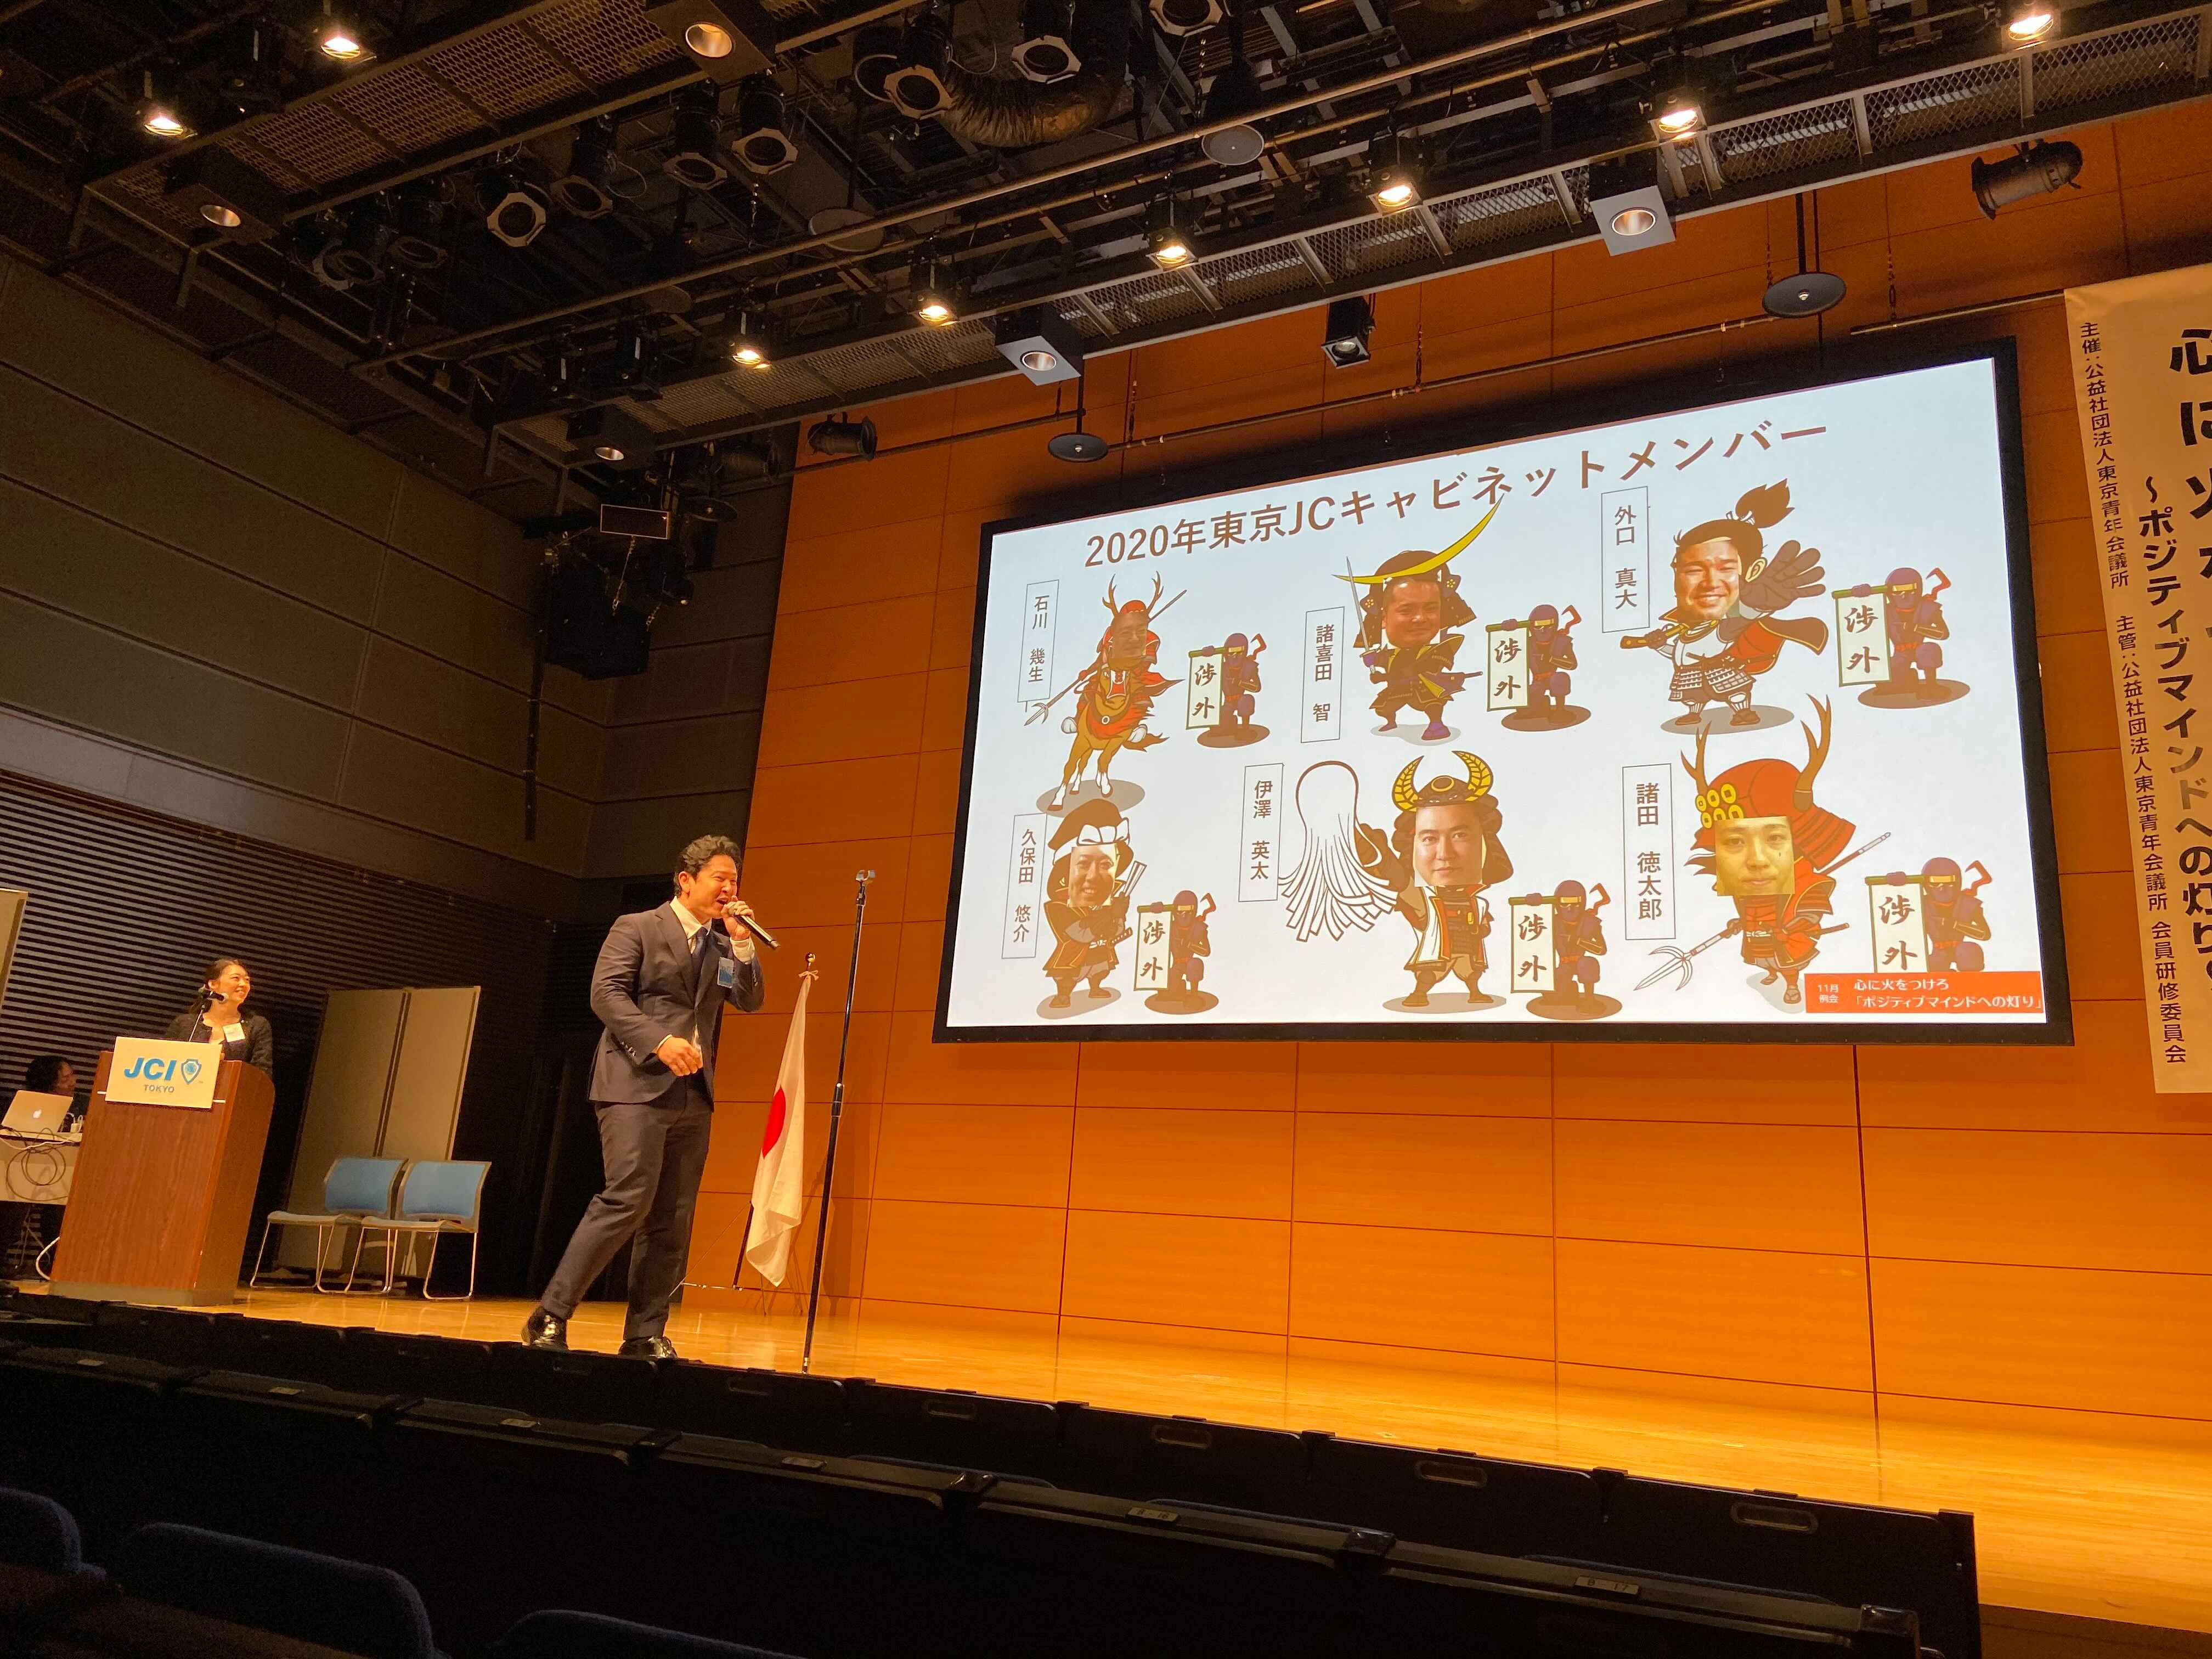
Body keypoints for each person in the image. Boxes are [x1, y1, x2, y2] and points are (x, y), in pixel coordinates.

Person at [525, 834, 766, 1358]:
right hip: (634, 1083)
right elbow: (606, 995)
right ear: (686, 880)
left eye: (735, 881)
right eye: (720, 879)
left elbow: (750, 1001)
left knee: (673, 1217)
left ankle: (644, 1333)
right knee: (627, 1198)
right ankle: (551, 1312)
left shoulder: (722, 944)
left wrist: (743, 943)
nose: (730, 889)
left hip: (693, 1093)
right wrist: (659, 1041)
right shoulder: (637, 927)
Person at [1621, 482, 1829, 728]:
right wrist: (1658, 645)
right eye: (1693, 570)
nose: (1709, 583)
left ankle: (1742, 711)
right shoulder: (1681, 628)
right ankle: (1694, 712)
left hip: (1720, 669)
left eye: (1725, 569)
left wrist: (1753, 606)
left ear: (1753, 571)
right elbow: (1677, 652)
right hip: (1690, 675)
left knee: (1734, 691)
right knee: (1692, 695)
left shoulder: (1729, 621)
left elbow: (1737, 621)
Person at [1357, 752, 1514, 1006]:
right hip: (1439, 946)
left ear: (1485, 841)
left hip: (1466, 945)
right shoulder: (1425, 897)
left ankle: (1474, 992)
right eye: (1429, 838)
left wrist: (1480, 928)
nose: (1445, 854)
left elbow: (1484, 926)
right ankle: (1419, 994)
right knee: (1429, 973)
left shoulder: (1478, 900)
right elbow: (1400, 882)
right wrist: (1379, 857)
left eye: (1460, 835)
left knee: (1472, 971)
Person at [1041, 799, 1134, 1008]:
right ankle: (1063, 996)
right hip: (1073, 955)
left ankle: (1095, 987)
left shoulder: (1108, 901)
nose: (1094, 877)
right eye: (1084, 864)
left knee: (1100, 970)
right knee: (1067, 977)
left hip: (1099, 952)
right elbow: (1081, 934)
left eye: (1106, 865)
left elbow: (1115, 931)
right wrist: (1108, 915)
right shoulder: (1059, 907)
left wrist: (1119, 916)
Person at [163, 957, 275, 1074]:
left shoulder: (256, 1025)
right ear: (213, 984)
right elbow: (164, 1062)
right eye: (236, 978)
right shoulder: (185, 1023)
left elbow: (262, 1074)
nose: (244, 984)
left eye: (247, 980)